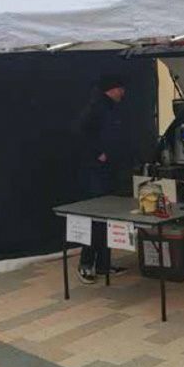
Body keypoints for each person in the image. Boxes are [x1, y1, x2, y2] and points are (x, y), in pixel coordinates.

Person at [75, 76, 130, 284]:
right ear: (112, 89)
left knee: (107, 218)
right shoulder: (96, 108)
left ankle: (104, 264)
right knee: (95, 217)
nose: (123, 93)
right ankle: (86, 264)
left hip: (109, 171)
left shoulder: (111, 108)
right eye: (120, 88)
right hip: (95, 173)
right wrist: (98, 153)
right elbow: (80, 133)